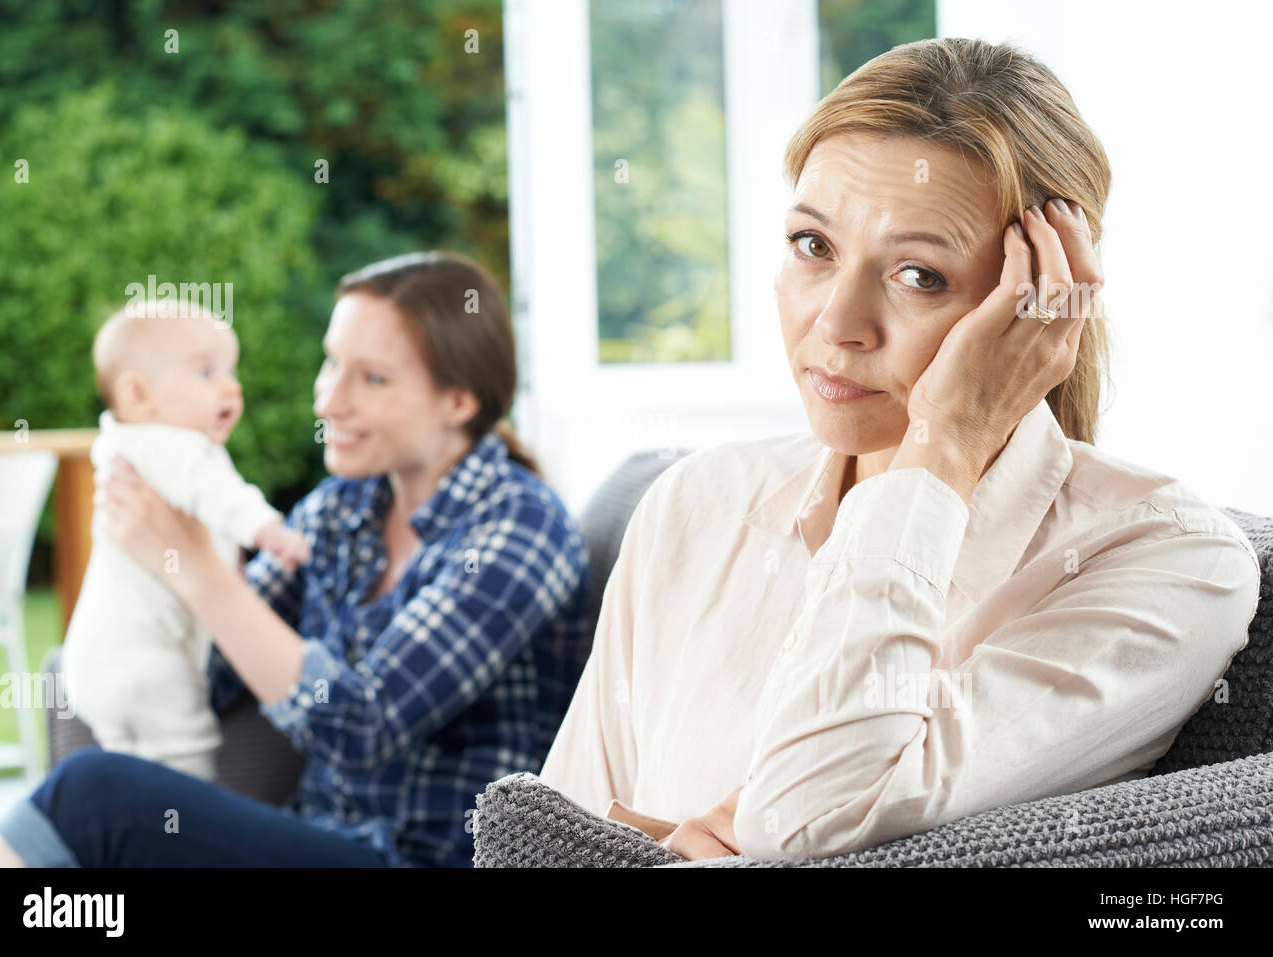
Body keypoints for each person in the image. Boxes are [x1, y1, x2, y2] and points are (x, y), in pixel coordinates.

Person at [535, 37, 1261, 863]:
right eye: (814, 245)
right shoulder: (698, 499)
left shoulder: (1173, 559)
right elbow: (555, 843)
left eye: (918, 275)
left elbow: (807, 815)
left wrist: (946, 438)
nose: (837, 324)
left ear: (1040, 302)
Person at [0, 250, 595, 867]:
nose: (328, 401)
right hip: (320, 839)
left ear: (458, 402)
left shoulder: (520, 528)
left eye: (371, 378)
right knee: (85, 821)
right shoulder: (345, 509)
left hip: (430, 861)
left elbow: (364, 727)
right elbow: (218, 670)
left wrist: (192, 566)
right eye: (332, 363)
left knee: (92, 794)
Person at [61, 301, 310, 783]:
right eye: (206, 372)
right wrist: (269, 530)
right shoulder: (174, 447)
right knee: (187, 770)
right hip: (149, 662)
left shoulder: (128, 447)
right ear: (138, 394)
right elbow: (221, 497)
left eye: (231, 372)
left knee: (126, 777)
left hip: (96, 661)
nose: (230, 387)